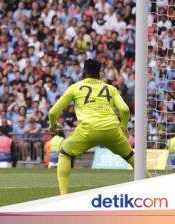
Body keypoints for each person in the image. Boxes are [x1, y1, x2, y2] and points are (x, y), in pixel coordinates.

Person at [48, 59, 140, 195]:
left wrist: (52, 125)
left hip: (88, 129)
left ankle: (63, 196)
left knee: (65, 154)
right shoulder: (110, 88)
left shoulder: (75, 87)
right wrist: (123, 126)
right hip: (111, 129)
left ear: (84, 72)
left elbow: (53, 112)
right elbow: (125, 110)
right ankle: (153, 189)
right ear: (100, 73)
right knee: (132, 157)